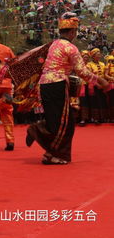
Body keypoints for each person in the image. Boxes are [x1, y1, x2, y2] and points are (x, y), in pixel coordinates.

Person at [27, 14, 108, 164]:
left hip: (44, 85)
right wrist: (100, 81)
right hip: (57, 84)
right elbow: (82, 71)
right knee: (65, 123)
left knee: (56, 122)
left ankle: (49, 154)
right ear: (72, 32)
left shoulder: (53, 44)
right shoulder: (71, 48)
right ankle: (45, 140)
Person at [86, 48, 107, 124]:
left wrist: (104, 84)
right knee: (95, 102)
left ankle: (103, 118)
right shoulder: (89, 65)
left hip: (103, 85)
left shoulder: (103, 64)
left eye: (99, 54)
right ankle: (96, 118)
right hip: (94, 85)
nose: (99, 55)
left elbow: (105, 75)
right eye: (97, 54)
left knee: (102, 101)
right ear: (93, 56)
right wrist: (97, 84)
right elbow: (89, 76)